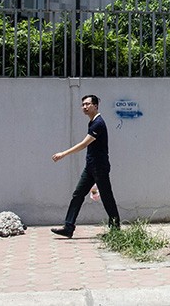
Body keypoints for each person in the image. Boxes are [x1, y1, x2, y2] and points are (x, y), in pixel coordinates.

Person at [51, 94, 120, 238]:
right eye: (83, 105)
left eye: (88, 104)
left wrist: (63, 154)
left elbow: (84, 144)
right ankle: (68, 227)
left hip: (99, 167)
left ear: (95, 106)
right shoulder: (92, 122)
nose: (85, 107)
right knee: (78, 194)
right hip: (90, 167)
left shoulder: (98, 123)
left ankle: (115, 229)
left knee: (107, 196)